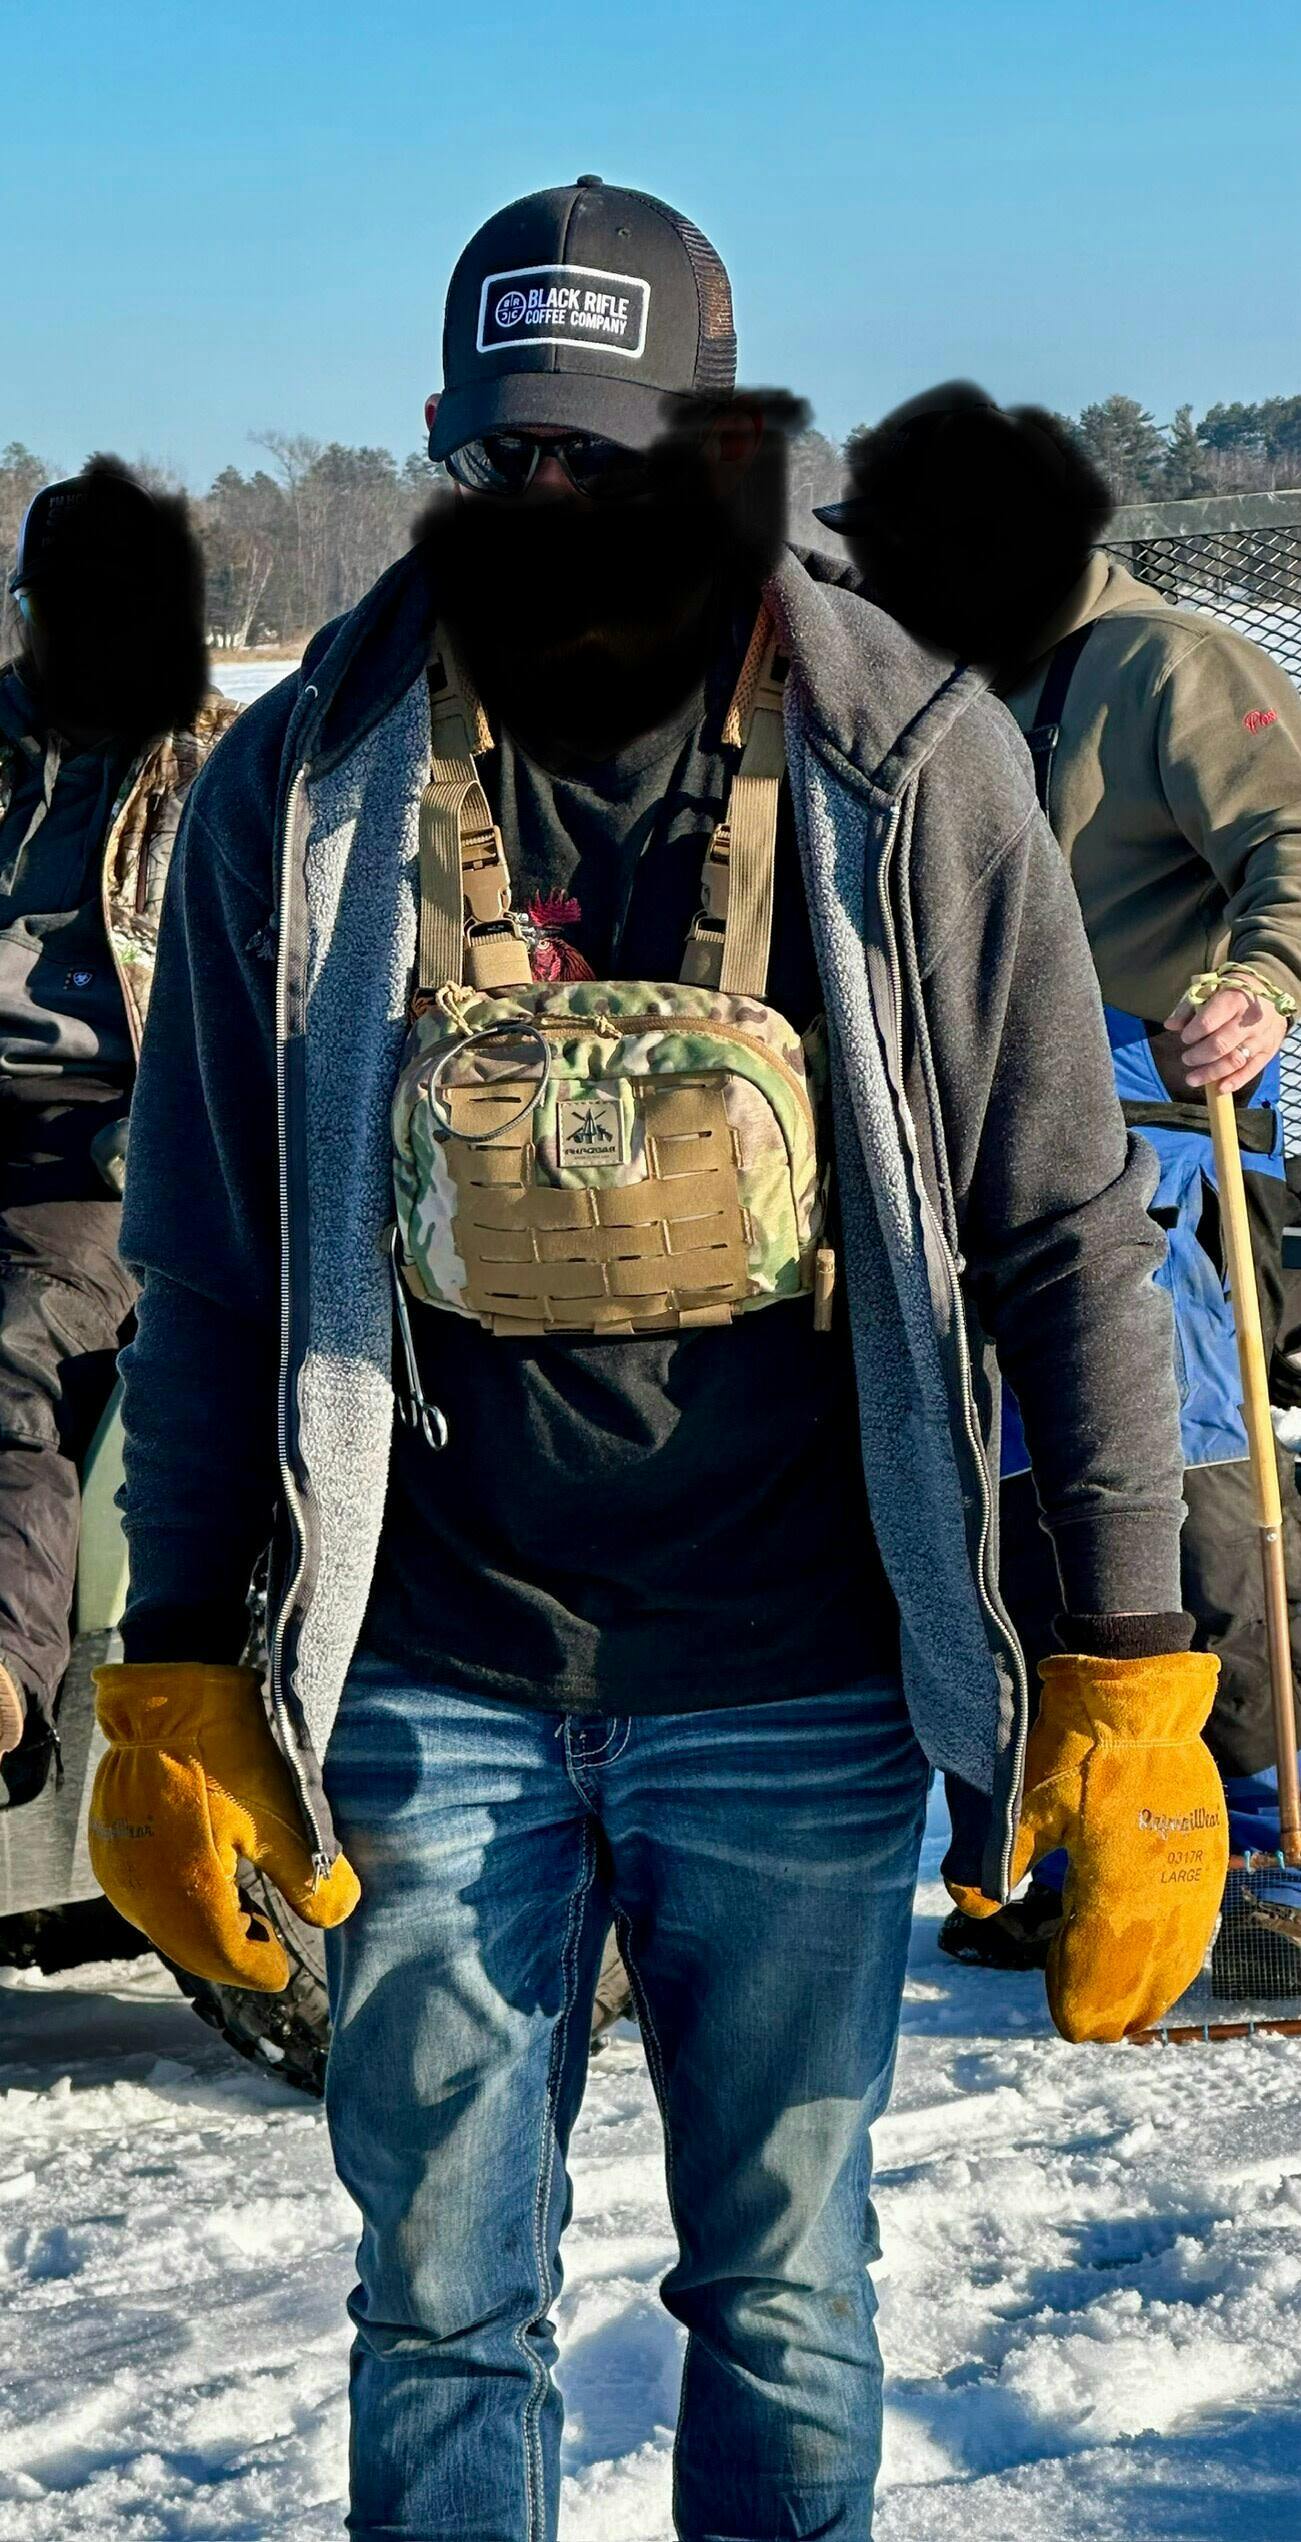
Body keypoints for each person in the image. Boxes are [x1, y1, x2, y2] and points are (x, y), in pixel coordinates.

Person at [89, 184, 1227, 2542]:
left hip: (800, 1683)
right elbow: (204, 1259)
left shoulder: (913, 763)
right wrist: (175, 1661)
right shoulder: (299, 786)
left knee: (788, 2286)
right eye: (505, 455)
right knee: (438, 2303)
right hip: (430, 1677)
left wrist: (1127, 1671)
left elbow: (1063, 1232)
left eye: (605, 455)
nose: (553, 503)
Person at [817, 385, 1301, 1969]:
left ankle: (1273, 1844)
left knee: (1186, 1485)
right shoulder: (933, 696)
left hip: (1156, 1137)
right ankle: (1087, 1834)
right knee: (1017, 1500)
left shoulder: (1167, 665)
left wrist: (1261, 984)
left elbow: (1293, 838)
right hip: (974, 1151)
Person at [0, 459, 234, 1803]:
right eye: (51, 606)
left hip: (113, 1141)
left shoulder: (225, 771)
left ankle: (4, 1670)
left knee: (19, 1336)